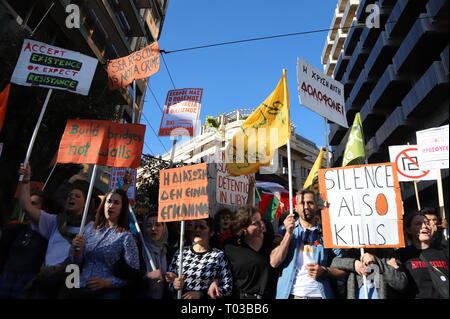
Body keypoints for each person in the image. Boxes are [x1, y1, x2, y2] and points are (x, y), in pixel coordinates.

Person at [18, 163, 89, 298]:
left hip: (71, 276)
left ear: (85, 203)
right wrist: (26, 180)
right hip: (48, 276)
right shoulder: (54, 221)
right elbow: (26, 206)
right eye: (70, 195)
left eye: (77, 196)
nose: (71, 197)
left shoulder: (91, 226)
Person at [270, 189, 347, 299]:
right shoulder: (285, 230)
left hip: (319, 295)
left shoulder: (326, 233)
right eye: (302, 203)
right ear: (296, 207)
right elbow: (274, 262)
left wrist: (324, 271)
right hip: (290, 295)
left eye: (310, 203)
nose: (306, 206)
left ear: (316, 206)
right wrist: (288, 234)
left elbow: (344, 270)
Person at [68, 189, 139, 298]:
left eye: (116, 203)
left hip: (107, 293)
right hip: (81, 289)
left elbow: (133, 274)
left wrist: (106, 282)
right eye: (109, 201)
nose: (111, 206)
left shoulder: (126, 237)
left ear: (122, 208)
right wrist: (76, 252)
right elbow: (76, 264)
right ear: (103, 204)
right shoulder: (90, 231)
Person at [166, 218, 232, 299]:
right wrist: (175, 285)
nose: (197, 230)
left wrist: (202, 294)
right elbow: (169, 283)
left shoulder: (218, 255)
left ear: (211, 232)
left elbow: (227, 287)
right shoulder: (181, 252)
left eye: (202, 227)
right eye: (195, 227)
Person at [0, 190, 50, 298]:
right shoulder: (16, 229)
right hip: (7, 277)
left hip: (28, 281)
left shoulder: (48, 234)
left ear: (44, 209)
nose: (27, 207)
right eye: (27, 203)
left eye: (33, 204)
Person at [222, 206, 276, 299]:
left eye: (261, 220)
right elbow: (221, 270)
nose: (261, 225)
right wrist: (214, 281)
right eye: (256, 223)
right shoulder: (230, 246)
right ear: (243, 227)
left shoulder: (271, 241)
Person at [396, 212, 449, 299]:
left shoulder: (444, 251)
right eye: (418, 224)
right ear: (409, 230)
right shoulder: (402, 255)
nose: (424, 226)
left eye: (427, 223)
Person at [330, 248, 408, 299]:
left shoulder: (388, 254)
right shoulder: (353, 253)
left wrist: (378, 262)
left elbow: (401, 283)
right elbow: (334, 262)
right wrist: (354, 264)